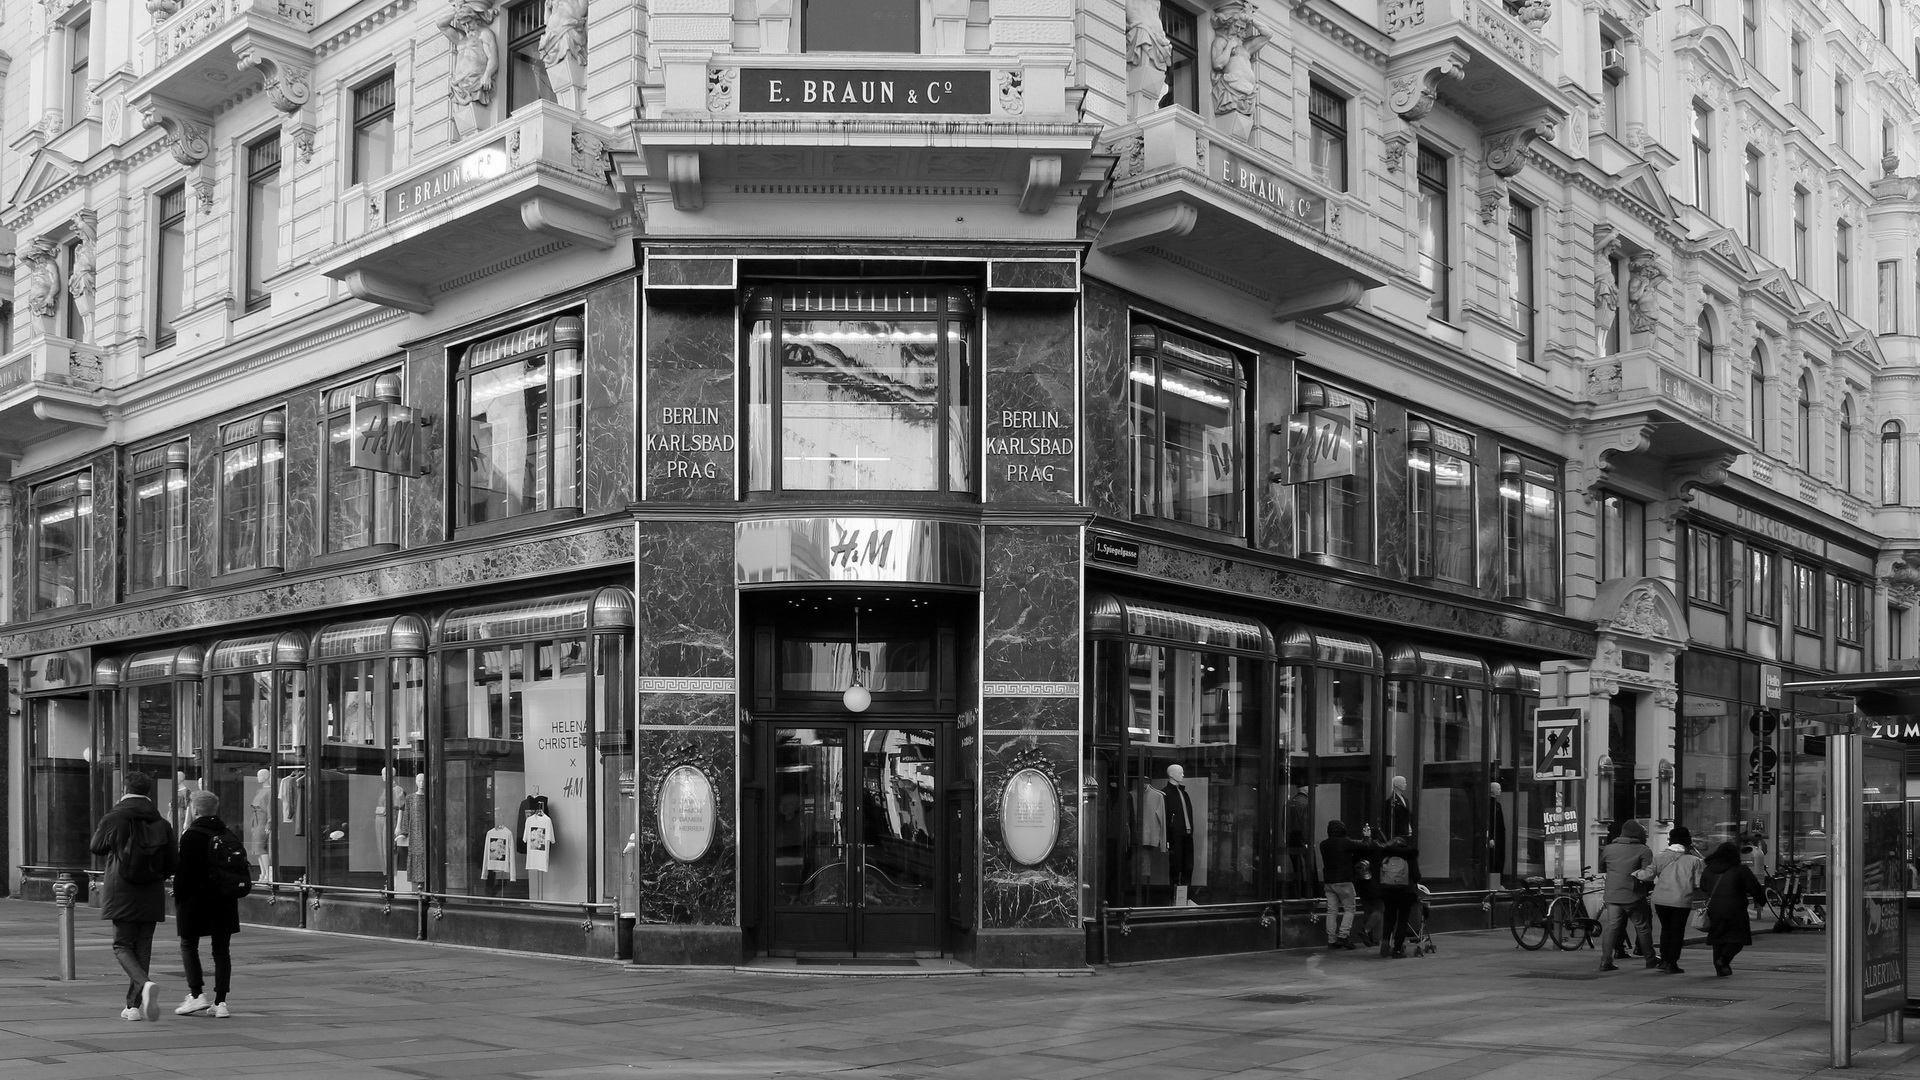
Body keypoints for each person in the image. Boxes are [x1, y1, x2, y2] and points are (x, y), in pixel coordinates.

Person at [88, 771, 177, 1022]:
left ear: (124, 789)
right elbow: (173, 862)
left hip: (122, 889)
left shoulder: (115, 817)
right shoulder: (162, 822)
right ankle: (134, 1006)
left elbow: (96, 847)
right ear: (149, 792)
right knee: (143, 947)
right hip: (151, 891)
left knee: (122, 945)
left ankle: (144, 986)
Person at [173, 789, 241, 1018]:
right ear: (215, 808)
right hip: (224, 900)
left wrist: (179, 897)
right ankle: (221, 1002)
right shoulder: (228, 832)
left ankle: (195, 994)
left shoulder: (191, 835)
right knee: (221, 950)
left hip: (195, 900)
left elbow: (185, 872)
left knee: (188, 945)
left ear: (194, 809)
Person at [1699, 841, 1769, 977]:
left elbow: (1703, 886)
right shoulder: (1740, 869)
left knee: (1718, 938)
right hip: (1735, 908)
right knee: (1738, 938)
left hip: (1715, 908)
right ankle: (1724, 959)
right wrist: (1761, 900)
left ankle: (1720, 968)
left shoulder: (1709, 869)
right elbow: (1754, 887)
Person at [1595, 820, 1655, 972]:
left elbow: (1601, 867)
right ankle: (1650, 959)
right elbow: (1647, 873)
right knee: (1642, 927)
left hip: (1612, 894)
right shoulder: (1644, 850)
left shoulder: (1609, 849)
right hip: (1633, 894)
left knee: (1611, 927)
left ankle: (1605, 961)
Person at [1649, 825, 1704, 974]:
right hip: (1680, 900)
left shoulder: (1659, 857)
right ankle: (1672, 963)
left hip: (1660, 899)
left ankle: (1664, 960)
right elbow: (1698, 884)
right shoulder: (1694, 860)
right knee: (1677, 932)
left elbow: (1649, 874)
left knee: (1666, 929)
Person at [1318, 820, 1374, 950]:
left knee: (1331, 911)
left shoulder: (1323, 844)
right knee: (1349, 908)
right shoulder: (1346, 842)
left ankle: (1331, 940)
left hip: (1329, 882)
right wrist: (1366, 835)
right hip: (1344, 881)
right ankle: (1343, 936)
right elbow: (1365, 846)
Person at [1374, 833, 1421, 958]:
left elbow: (1377, 874)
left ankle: (1384, 945)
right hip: (1406, 892)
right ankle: (1397, 950)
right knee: (1402, 920)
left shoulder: (1386, 855)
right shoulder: (1409, 855)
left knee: (1389, 918)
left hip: (1388, 891)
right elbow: (1416, 876)